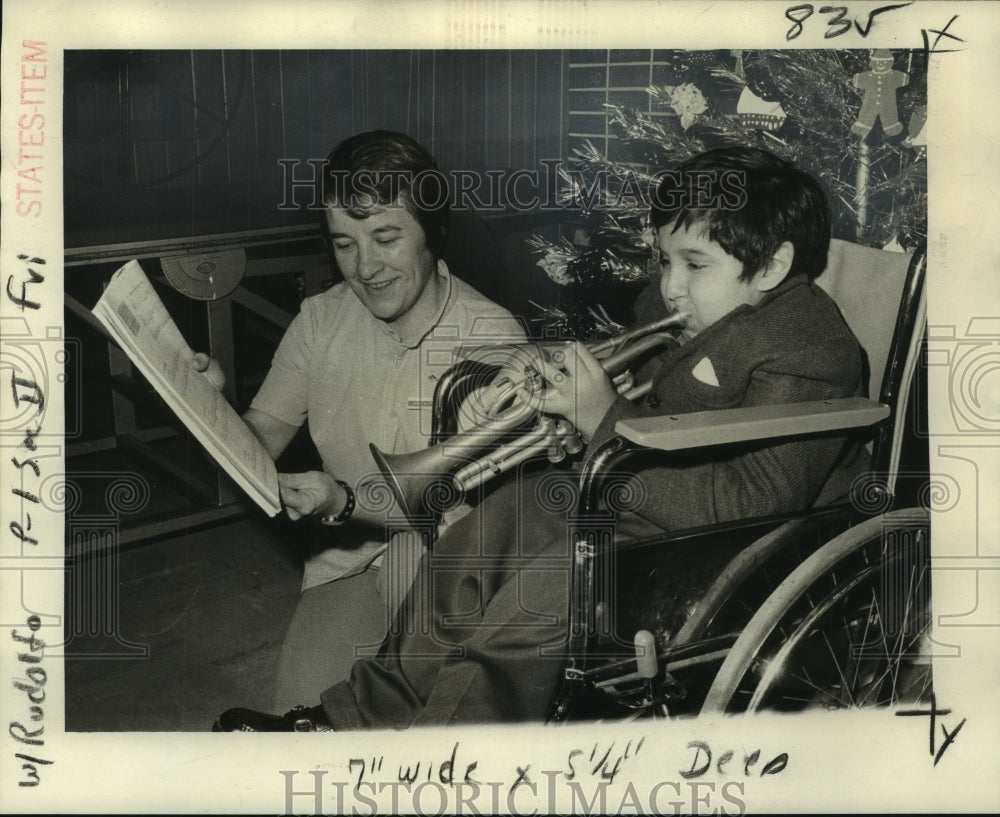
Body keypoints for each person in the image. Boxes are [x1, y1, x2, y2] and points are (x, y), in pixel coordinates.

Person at [213, 145, 869, 731]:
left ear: (773, 264)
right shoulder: (685, 307)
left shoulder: (811, 346)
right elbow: (639, 392)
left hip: (714, 543)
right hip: (631, 494)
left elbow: (749, 499)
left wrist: (601, 418)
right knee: (481, 532)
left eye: (694, 264)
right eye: (665, 259)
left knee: (543, 593)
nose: (668, 286)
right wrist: (562, 386)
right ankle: (349, 718)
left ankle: (440, 758)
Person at [198, 130, 525, 712]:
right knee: (299, 717)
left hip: (449, 557)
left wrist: (341, 502)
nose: (365, 267)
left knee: (412, 717)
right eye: (344, 244)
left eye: (385, 237)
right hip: (346, 554)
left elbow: (448, 503)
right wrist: (208, 408)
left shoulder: (492, 337)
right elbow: (262, 437)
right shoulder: (321, 320)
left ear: (431, 231)